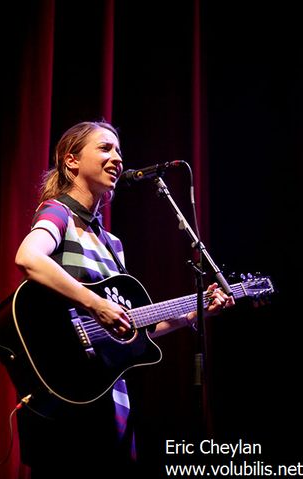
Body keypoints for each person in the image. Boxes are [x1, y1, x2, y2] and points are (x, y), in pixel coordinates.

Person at [14, 120, 235, 478]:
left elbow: (132, 327)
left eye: (118, 150)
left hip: (110, 397)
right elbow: (29, 257)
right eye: (104, 148)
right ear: (71, 161)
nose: (117, 158)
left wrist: (196, 312)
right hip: (69, 394)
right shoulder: (59, 213)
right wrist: (95, 303)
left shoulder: (113, 244)